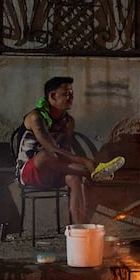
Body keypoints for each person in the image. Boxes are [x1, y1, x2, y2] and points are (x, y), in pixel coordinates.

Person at [16, 77, 125, 224]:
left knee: (75, 179)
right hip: (31, 172)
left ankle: (79, 230)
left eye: (72, 93)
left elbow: (66, 151)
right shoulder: (36, 117)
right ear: (53, 96)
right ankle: (92, 172)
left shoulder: (68, 121)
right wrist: (86, 162)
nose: (71, 96)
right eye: (66, 93)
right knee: (45, 155)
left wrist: (79, 164)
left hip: (56, 170)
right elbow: (51, 149)